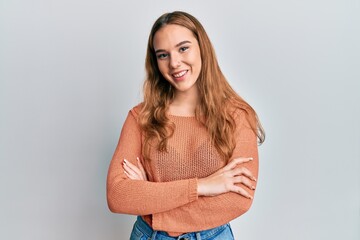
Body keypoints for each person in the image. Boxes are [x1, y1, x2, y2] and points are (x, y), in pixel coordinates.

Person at [106, 11, 265, 240]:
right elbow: (118, 195)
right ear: (155, 62)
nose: (174, 63)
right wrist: (202, 186)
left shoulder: (237, 116)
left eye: (183, 48)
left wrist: (150, 199)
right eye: (163, 55)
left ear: (202, 47)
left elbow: (238, 199)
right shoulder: (141, 118)